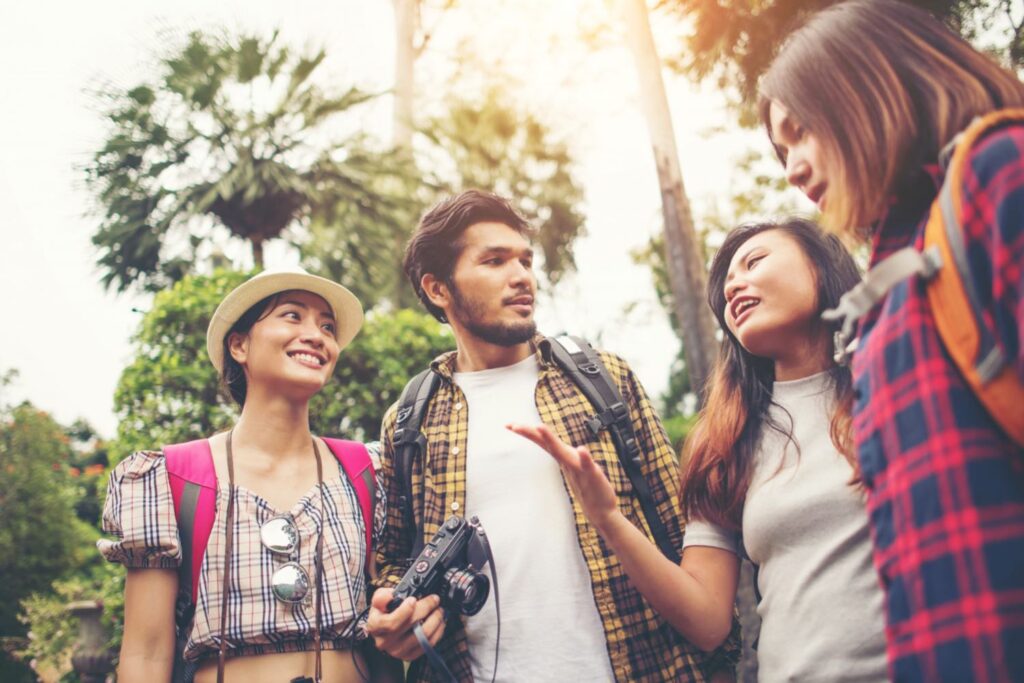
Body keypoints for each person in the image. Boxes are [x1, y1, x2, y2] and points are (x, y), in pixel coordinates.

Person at [364, 189, 738, 682]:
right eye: (494, 261)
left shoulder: (604, 380)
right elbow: (395, 560)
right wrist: (395, 616)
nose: (521, 276)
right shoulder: (411, 419)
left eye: (524, 260)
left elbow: (679, 528)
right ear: (438, 289)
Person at [759, 1, 1024, 680]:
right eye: (781, 151)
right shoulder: (891, 278)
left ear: (868, 84)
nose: (791, 167)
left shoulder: (1001, 169)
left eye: (802, 132)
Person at [512, 218, 887, 681]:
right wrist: (608, 519)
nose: (735, 288)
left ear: (821, 267)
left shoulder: (894, 382)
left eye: (755, 262)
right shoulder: (727, 442)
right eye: (727, 286)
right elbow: (707, 621)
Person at [98, 268, 394, 683]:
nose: (317, 335)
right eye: (292, 316)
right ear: (239, 345)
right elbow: (146, 654)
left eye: (327, 326)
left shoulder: (368, 472)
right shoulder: (171, 478)